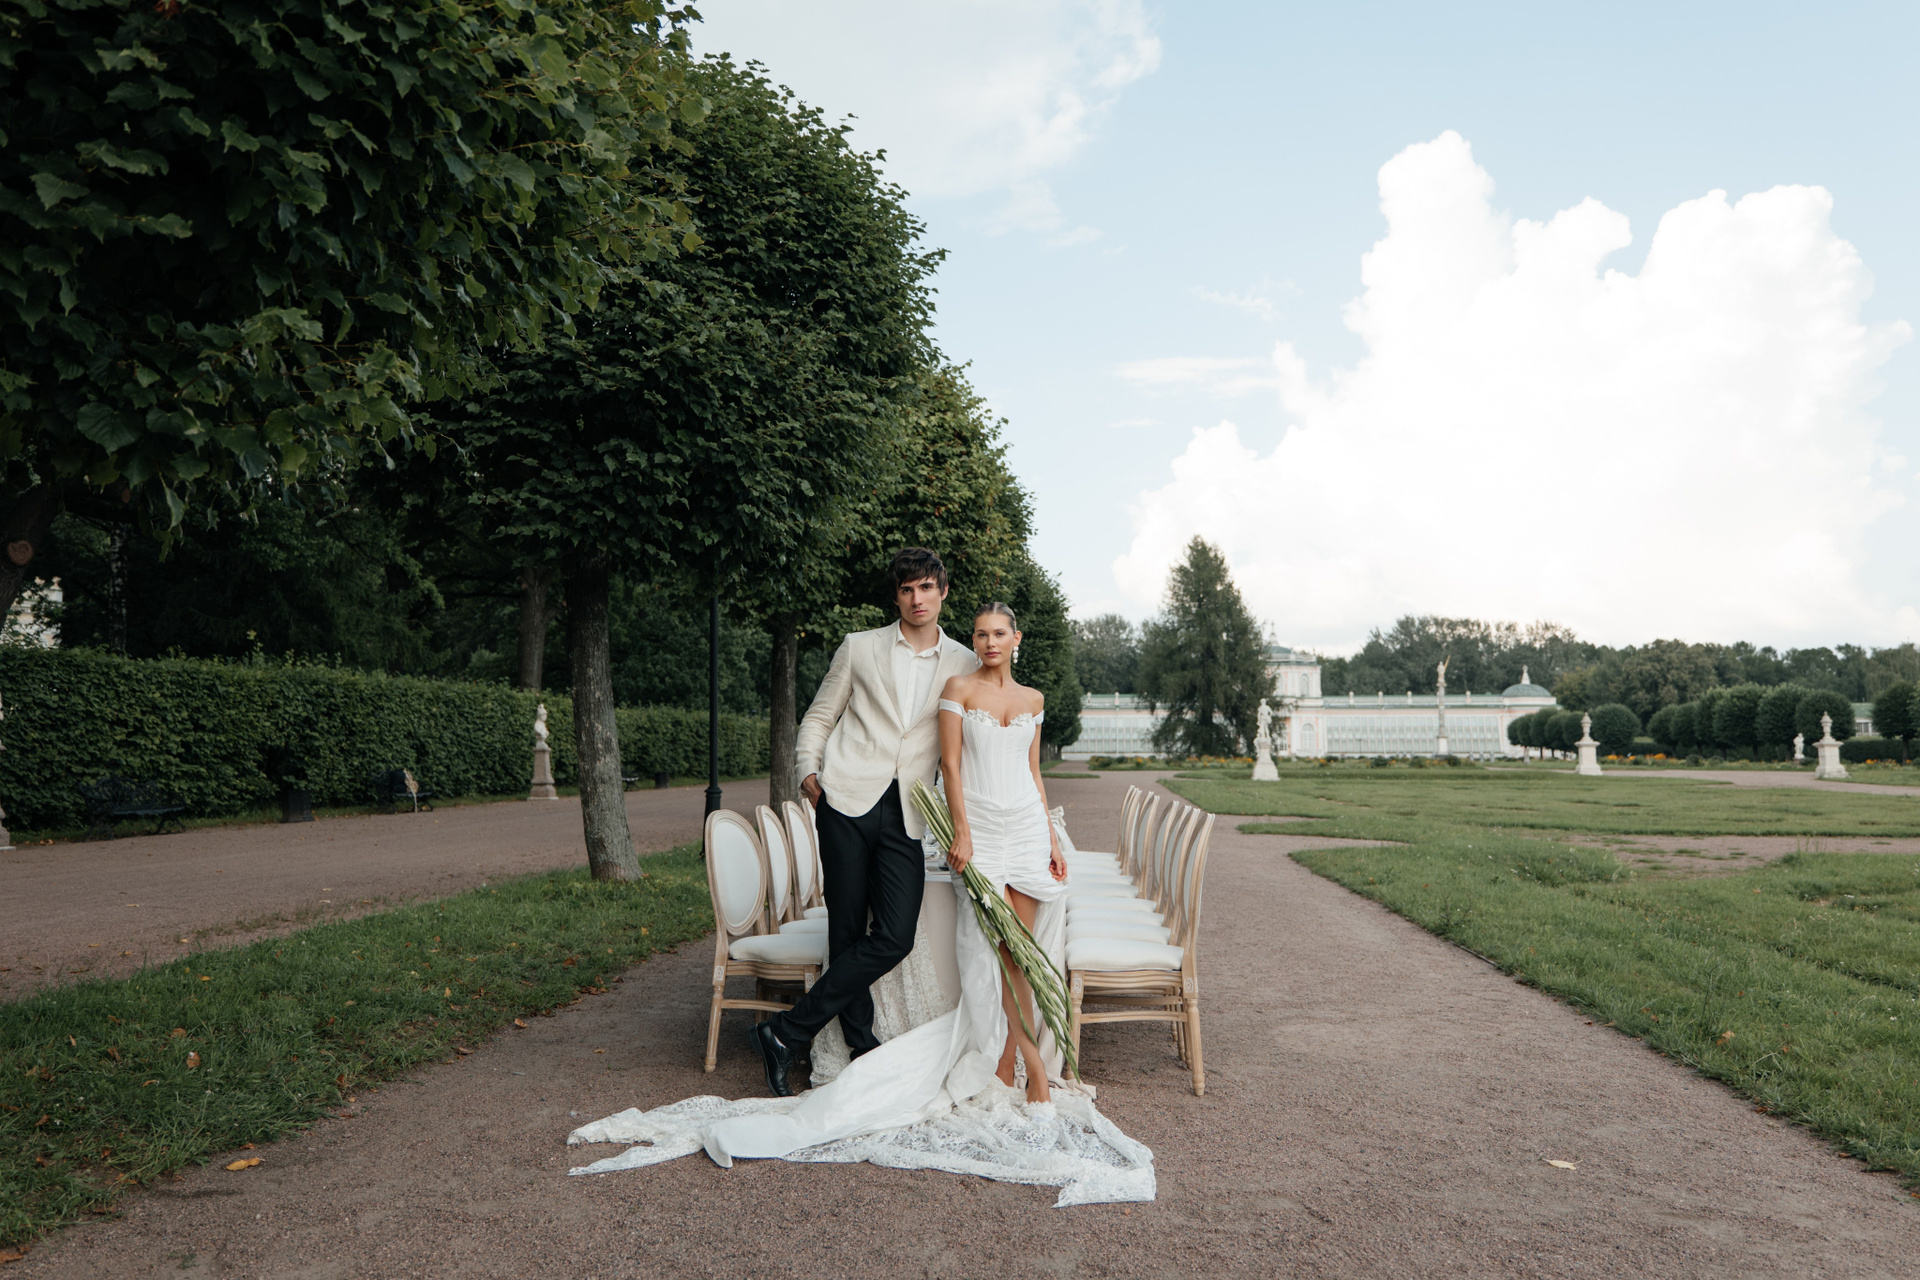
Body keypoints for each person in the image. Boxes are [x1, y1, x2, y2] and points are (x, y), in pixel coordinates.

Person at [749, 547, 978, 1096]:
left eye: (926, 587)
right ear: (896, 596)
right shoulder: (859, 646)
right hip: (846, 798)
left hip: (909, 809)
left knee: (894, 935)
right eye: (907, 589)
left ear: (943, 591)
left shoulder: (965, 662)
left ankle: (786, 1030)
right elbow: (820, 715)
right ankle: (860, 1045)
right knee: (847, 930)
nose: (917, 598)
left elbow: (967, 742)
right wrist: (808, 772)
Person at [937, 600, 1067, 1103]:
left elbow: (1034, 771)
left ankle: (1015, 1065)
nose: (989, 642)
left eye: (998, 633)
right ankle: (1031, 1069)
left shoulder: (1033, 698)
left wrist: (1051, 836)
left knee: (1019, 955)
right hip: (981, 828)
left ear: (1016, 639)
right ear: (973, 641)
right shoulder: (959, 689)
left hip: (1027, 828)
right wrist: (962, 830)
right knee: (994, 948)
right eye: (980, 634)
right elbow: (950, 765)